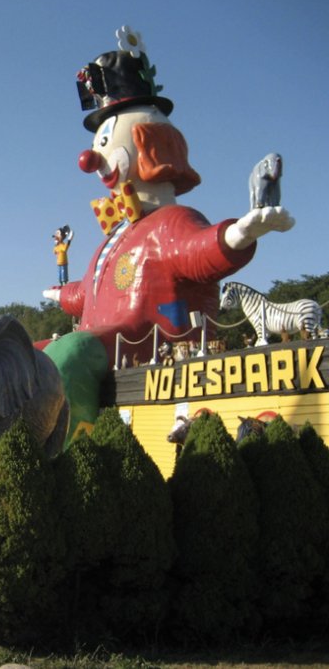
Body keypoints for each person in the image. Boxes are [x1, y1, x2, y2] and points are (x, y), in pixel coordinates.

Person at [40, 26, 294, 439]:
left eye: (106, 142)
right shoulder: (117, 234)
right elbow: (89, 294)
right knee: (27, 356)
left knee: (70, 351)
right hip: (102, 339)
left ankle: (68, 454)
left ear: (149, 144)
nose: (91, 158)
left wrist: (238, 233)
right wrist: (60, 293)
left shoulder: (170, 223)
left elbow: (200, 252)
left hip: (145, 347)